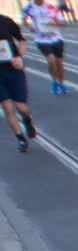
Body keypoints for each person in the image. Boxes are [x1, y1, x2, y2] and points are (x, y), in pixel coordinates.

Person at [0, 12, 36, 152]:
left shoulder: (5, 21)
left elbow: (22, 40)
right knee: (7, 107)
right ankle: (20, 138)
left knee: (21, 107)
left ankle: (27, 120)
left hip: (13, 69)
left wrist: (19, 56)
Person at [22, 0, 67, 94]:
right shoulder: (29, 7)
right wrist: (29, 26)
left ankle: (61, 83)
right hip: (41, 39)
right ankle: (54, 82)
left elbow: (63, 23)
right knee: (51, 60)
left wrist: (54, 24)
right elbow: (23, 20)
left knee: (59, 62)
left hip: (56, 38)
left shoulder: (51, 7)